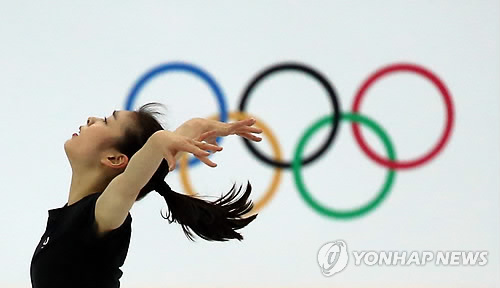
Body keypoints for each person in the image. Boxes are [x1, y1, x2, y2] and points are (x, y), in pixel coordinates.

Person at [30, 102, 263, 288]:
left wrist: (157, 142)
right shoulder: (70, 217)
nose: (91, 119)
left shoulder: (103, 214)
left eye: (106, 121)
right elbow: (148, 167)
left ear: (114, 159)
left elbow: (131, 181)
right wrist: (197, 125)